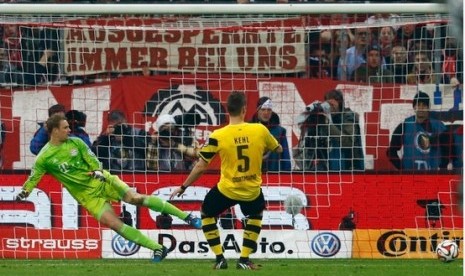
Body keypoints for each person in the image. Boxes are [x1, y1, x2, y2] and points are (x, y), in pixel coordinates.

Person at [15, 114, 201, 263]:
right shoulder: (44, 157)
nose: (69, 130)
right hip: (87, 197)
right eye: (65, 127)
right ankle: (158, 249)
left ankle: (187, 217)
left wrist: (97, 171)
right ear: (55, 131)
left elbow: (93, 159)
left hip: (103, 180)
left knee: (135, 199)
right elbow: (34, 177)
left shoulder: (76, 143)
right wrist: (25, 191)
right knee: (115, 225)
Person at [170, 91, 283, 270]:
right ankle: (244, 260)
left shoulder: (218, 135)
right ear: (245, 109)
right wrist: (259, 149)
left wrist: (183, 187)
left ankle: (220, 259)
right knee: (256, 215)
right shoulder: (260, 130)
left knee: (206, 213)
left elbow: (200, 166)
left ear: (228, 111)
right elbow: (278, 149)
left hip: (227, 189)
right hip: (251, 190)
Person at [294, 89, 364, 171]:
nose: (330, 107)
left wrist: (327, 124)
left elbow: (348, 143)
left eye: (332, 104)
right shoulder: (324, 117)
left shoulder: (348, 117)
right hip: (326, 166)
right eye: (328, 104)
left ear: (340, 103)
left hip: (349, 166)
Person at [387, 91, 449, 171]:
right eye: (418, 105)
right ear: (414, 107)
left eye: (424, 105)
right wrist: (402, 169)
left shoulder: (439, 127)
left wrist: (442, 168)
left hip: (432, 177)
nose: (421, 108)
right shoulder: (404, 126)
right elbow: (391, 152)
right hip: (409, 177)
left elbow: (448, 151)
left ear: (428, 107)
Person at [250, 96, 291, 172]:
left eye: (269, 110)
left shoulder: (280, 131)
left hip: (272, 175)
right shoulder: (248, 128)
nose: (266, 112)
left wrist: (287, 173)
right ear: (257, 110)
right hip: (251, 175)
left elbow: (286, 158)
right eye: (263, 109)